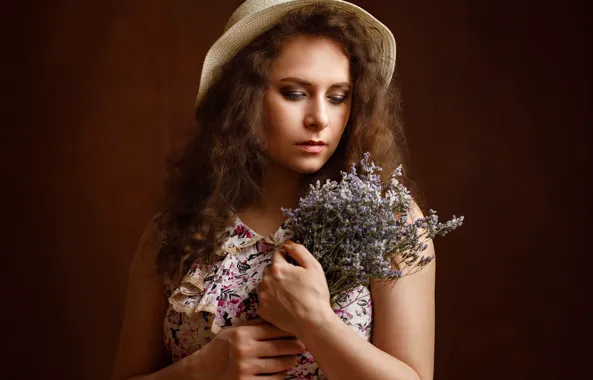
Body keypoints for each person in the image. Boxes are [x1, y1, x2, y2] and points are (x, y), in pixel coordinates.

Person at [111, 1, 436, 379]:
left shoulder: (387, 222)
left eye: (337, 97)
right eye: (295, 93)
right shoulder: (176, 231)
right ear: (243, 99)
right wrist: (204, 369)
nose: (320, 119)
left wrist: (315, 322)